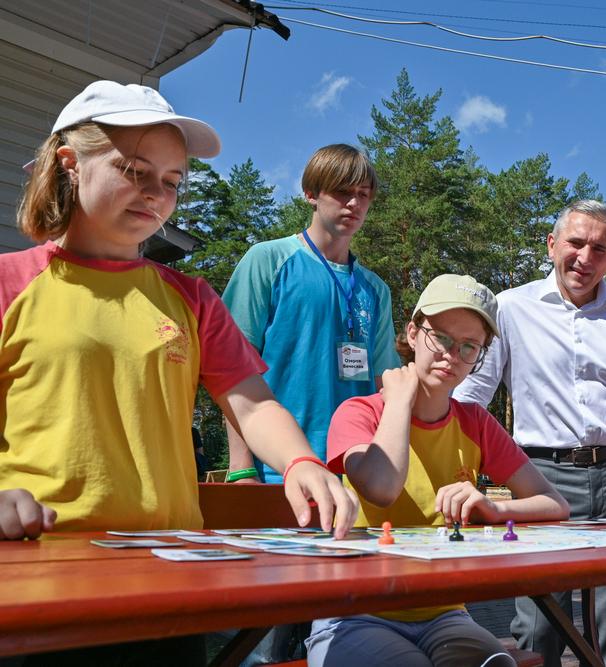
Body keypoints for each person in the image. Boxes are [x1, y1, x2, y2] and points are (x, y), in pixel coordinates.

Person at [0, 80, 358, 663]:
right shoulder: (11, 283)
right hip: (39, 573)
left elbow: (252, 400)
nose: (156, 195)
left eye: (171, 182)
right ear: (70, 163)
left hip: (169, 573)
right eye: (134, 170)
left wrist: (300, 461)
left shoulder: (189, 298)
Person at [454, 200, 606, 667]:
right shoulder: (510, 309)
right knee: (539, 622)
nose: (585, 257)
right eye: (576, 243)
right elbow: (470, 396)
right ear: (552, 244)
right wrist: (457, 467)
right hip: (540, 479)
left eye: (599, 248)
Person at [307, 274, 569, 667]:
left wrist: (494, 510)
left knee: (498, 664)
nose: (452, 355)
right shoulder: (360, 412)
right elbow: (381, 488)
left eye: (469, 347)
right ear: (413, 334)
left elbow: (555, 504)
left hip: (445, 615)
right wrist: (398, 401)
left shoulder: (475, 422)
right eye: (441, 338)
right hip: (355, 612)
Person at [222, 143, 399, 485]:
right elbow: (230, 368)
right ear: (311, 194)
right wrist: (242, 468)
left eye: (363, 194)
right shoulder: (267, 261)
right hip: (276, 473)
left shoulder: (376, 290)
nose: (354, 203)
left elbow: (383, 386)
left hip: (355, 478)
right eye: (342, 192)